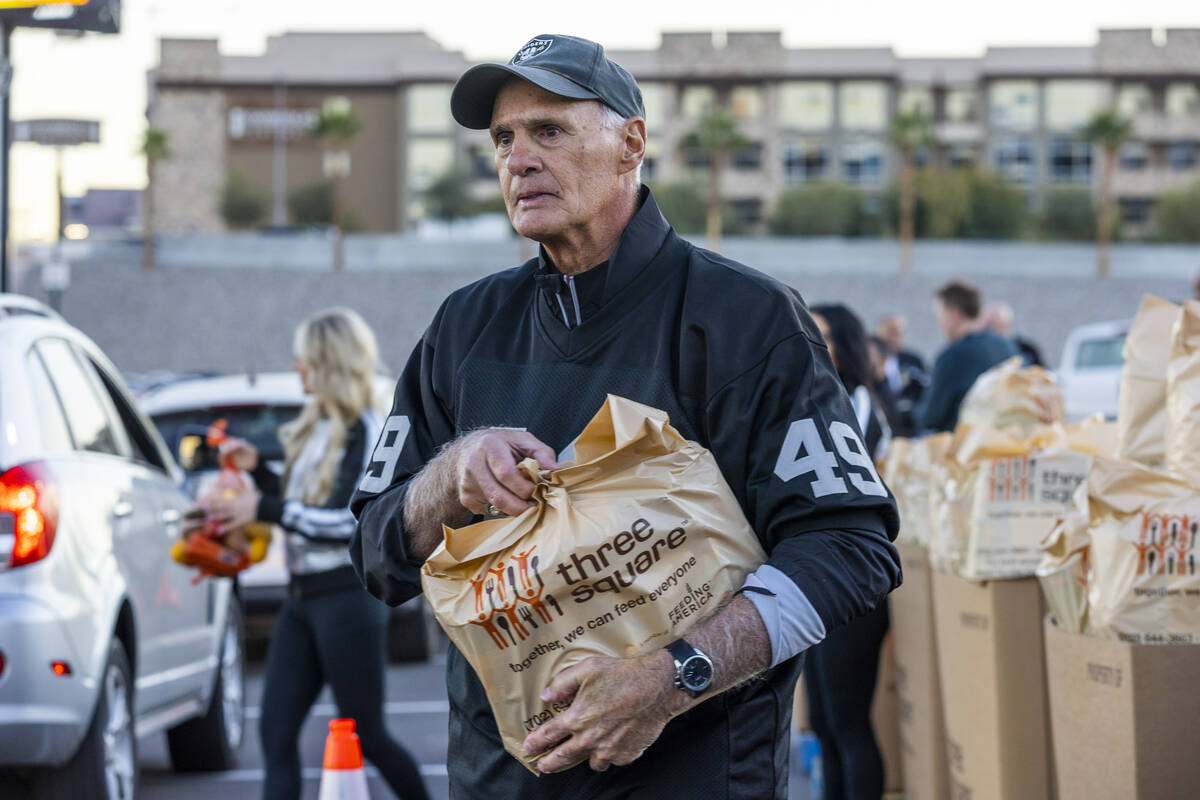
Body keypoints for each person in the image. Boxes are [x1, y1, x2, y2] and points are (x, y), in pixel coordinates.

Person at [349, 34, 900, 800]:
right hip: (496, 782)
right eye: (503, 138)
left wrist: (675, 677)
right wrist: (447, 479)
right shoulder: (464, 327)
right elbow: (374, 553)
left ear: (629, 143)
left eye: (549, 130)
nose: (517, 159)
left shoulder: (746, 319)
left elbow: (849, 547)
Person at [204, 307, 430, 800]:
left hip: (348, 599)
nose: (295, 367)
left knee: (368, 735)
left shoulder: (368, 425)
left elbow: (351, 523)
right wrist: (260, 473)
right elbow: (307, 507)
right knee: (274, 735)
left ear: (327, 362)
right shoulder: (317, 423)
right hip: (302, 599)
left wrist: (262, 504)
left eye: (303, 358)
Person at [805, 303, 892, 800]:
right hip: (818, 579)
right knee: (822, 721)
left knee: (848, 720)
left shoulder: (855, 403)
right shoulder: (818, 398)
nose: (811, 345)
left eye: (822, 336)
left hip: (855, 580)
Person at [913, 281, 1018, 433]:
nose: (939, 322)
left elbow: (930, 417)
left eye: (940, 314)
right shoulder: (1006, 345)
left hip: (966, 450)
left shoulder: (952, 356)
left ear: (955, 314)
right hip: (1008, 445)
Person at [874, 314, 927, 437]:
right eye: (890, 333)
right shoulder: (870, 361)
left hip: (910, 426)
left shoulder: (913, 361)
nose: (894, 339)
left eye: (899, 334)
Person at [981, 301, 1043, 367]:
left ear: (1008, 325)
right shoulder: (982, 351)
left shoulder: (1027, 349)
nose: (993, 332)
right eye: (989, 326)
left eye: (998, 325)